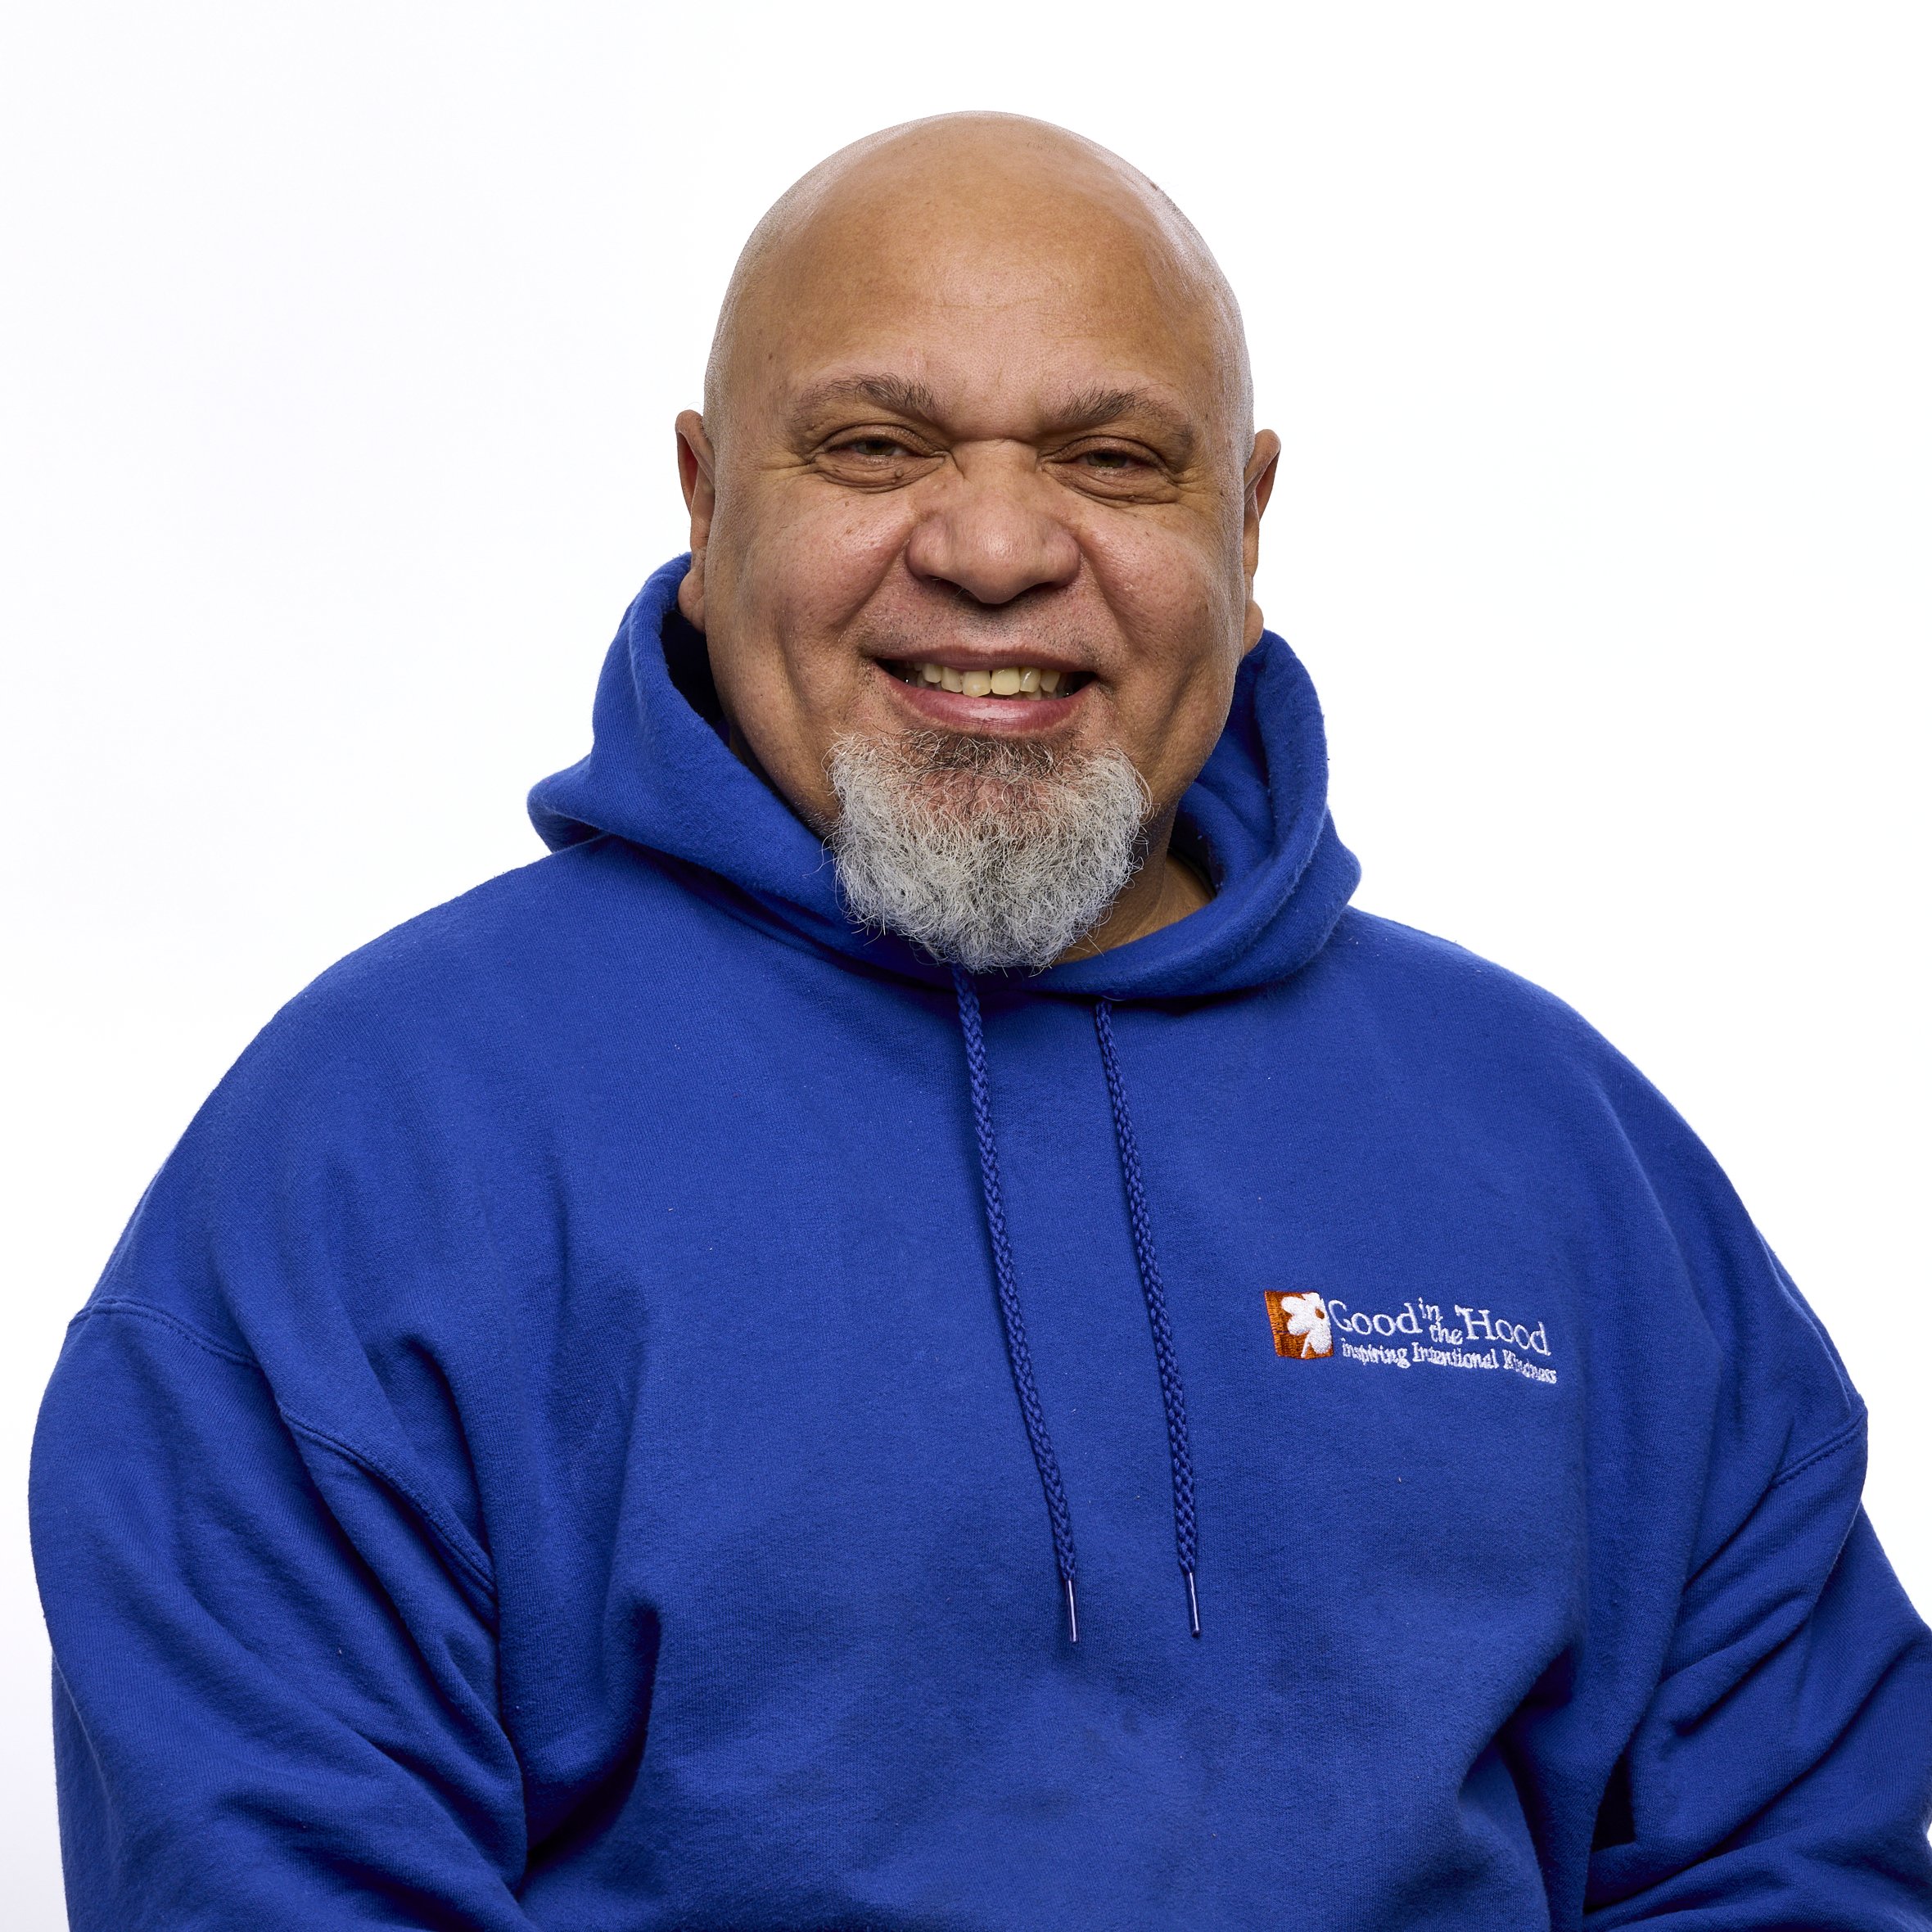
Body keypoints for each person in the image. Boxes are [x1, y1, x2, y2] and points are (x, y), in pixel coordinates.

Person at [29, 112, 1932, 1931]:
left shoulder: (1558, 1152)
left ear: (1247, 523)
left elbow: (1803, 1853)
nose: (998, 548)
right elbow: (272, 1880)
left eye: (1111, 459)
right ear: (706, 499)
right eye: (876, 446)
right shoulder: (374, 1148)